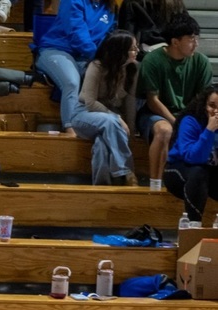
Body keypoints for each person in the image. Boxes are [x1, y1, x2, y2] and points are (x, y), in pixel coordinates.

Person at [136, 12, 213, 190]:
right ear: (175, 41)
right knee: (164, 131)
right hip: (155, 113)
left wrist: (186, 121)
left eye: (197, 39)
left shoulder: (201, 62)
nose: (196, 44)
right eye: (191, 39)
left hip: (189, 114)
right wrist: (176, 122)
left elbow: (203, 99)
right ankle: (155, 185)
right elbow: (152, 100)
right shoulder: (153, 60)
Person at [33, 0, 117, 135]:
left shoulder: (109, 7)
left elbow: (110, 37)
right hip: (56, 50)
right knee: (72, 81)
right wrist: (97, 57)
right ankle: (71, 129)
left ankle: (106, 128)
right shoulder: (72, 1)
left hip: (86, 56)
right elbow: (77, 33)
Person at [71, 29, 140, 185]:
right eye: (133, 48)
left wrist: (131, 129)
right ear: (120, 51)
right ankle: (127, 171)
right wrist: (116, 118)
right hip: (84, 115)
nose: (137, 51)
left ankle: (102, 186)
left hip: (111, 119)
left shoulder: (132, 68)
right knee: (110, 122)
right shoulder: (96, 66)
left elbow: (130, 101)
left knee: (101, 145)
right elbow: (89, 102)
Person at [163, 86, 218, 225]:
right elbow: (192, 157)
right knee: (198, 172)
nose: (216, 111)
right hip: (179, 171)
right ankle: (193, 226)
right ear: (204, 105)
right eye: (212, 106)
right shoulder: (190, 121)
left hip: (208, 174)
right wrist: (209, 130)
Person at [118, 0, 186, 58]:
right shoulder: (177, 2)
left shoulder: (131, 3)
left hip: (145, 54)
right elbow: (187, 29)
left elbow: (127, 38)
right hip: (175, 51)